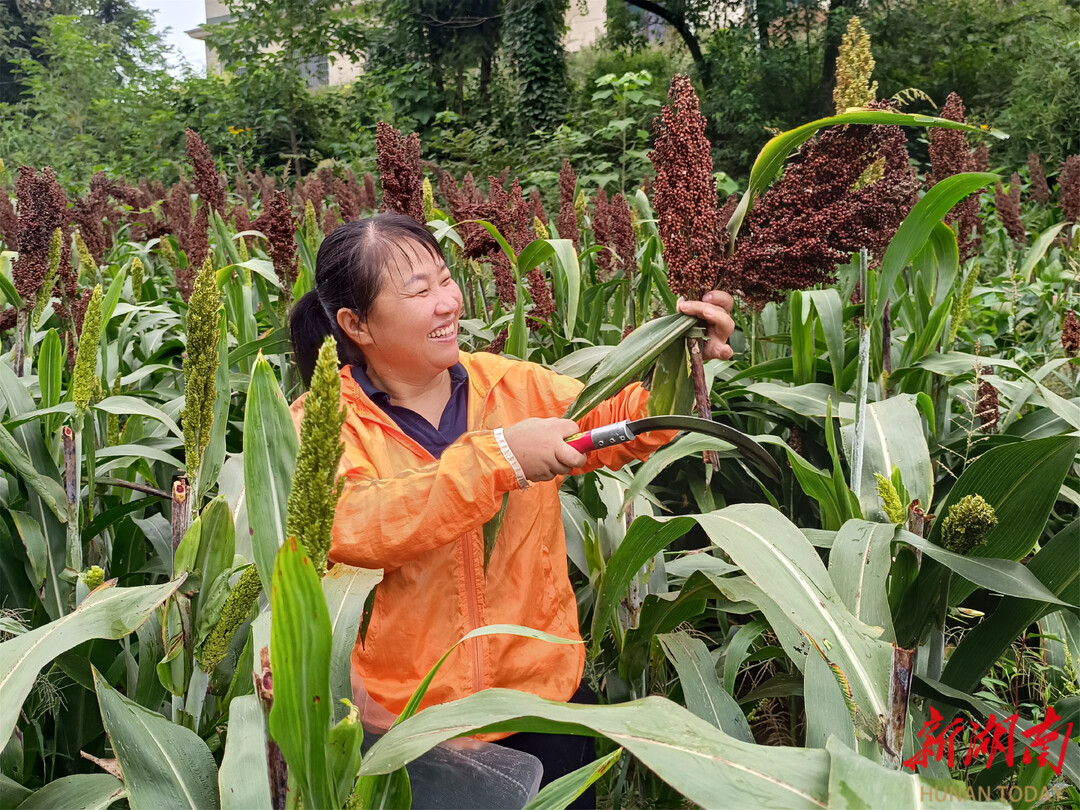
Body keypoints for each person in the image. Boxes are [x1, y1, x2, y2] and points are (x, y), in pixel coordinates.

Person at [288, 214, 735, 805]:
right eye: (419, 291)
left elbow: (619, 421)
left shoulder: (511, 387)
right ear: (355, 324)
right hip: (409, 733)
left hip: (542, 709)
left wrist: (682, 362)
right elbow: (356, 524)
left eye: (446, 280)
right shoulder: (320, 424)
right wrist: (499, 457)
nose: (447, 302)